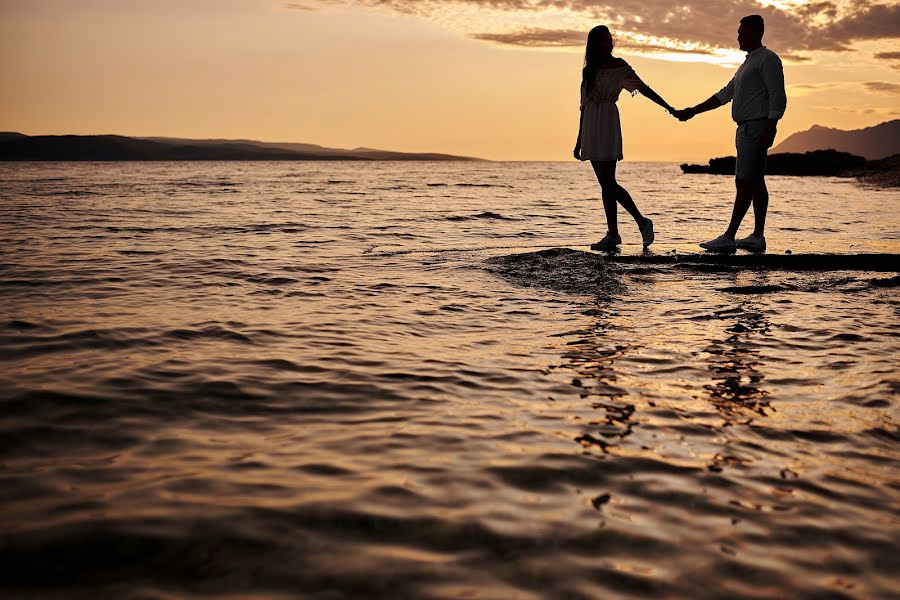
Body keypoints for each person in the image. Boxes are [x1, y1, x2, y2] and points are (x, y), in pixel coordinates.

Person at [674, 15, 787, 252]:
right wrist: (692, 111)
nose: (738, 36)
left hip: (757, 127)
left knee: (744, 181)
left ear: (756, 32)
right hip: (745, 127)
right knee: (756, 182)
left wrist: (770, 127)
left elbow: (777, 95)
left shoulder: (768, 59)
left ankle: (729, 237)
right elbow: (724, 95)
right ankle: (757, 236)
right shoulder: (746, 64)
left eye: (742, 32)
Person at [574, 25, 675, 251]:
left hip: (608, 123)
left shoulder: (620, 67)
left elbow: (644, 89)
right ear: (594, 45)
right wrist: (579, 140)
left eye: (609, 40)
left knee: (609, 182)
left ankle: (642, 222)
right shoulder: (588, 70)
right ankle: (613, 234)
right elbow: (583, 106)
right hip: (590, 126)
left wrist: (669, 107)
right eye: (602, 41)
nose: (608, 44)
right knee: (604, 184)